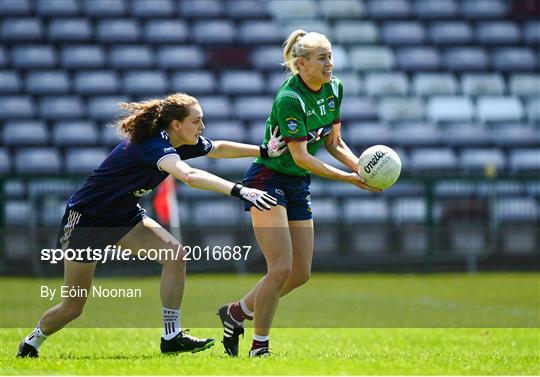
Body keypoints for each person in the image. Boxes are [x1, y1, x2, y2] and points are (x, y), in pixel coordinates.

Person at [17, 93, 287, 358]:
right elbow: (189, 175)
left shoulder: (179, 140)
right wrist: (240, 190)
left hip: (125, 217)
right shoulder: (152, 144)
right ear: (176, 125)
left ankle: (171, 337)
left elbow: (217, 148)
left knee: (176, 257)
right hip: (88, 221)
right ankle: (32, 341)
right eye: (197, 121)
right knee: (73, 307)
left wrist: (264, 150)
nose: (202, 127)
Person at [217, 30, 381, 357]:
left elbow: (333, 142)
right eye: (322, 58)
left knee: (300, 273)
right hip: (267, 178)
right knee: (279, 269)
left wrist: (360, 166)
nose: (329, 64)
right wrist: (350, 179)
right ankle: (259, 348)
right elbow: (300, 156)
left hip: (297, 183)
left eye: (330, 56)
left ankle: (236, 313)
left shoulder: (335, 89)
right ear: (301, 64)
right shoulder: (290, 98)